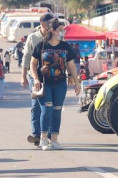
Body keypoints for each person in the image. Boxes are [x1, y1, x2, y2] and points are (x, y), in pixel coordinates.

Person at [31, 18, 81, 150]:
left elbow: (71, 65)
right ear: (53, 30)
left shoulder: (65, 46)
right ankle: (43, 139)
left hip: (60, 84)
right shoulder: (41, 45)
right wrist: (36, 79)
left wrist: (77, 82)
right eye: (60, 30)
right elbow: (33, 63)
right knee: (47, 110)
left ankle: (54, 140)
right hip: (44, 83)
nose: (62, 32)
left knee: (57, 111)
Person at [20, 12, 55, 146]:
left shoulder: (55, 37)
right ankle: (36, 135)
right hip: (34, 76)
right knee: (36, 106)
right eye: (50, 23)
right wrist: (23, 76)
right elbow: (26, 57)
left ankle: (49, 134)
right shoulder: (33, 38)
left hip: (51, 77)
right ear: (43, 24)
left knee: (49, 106)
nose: (52, 25)